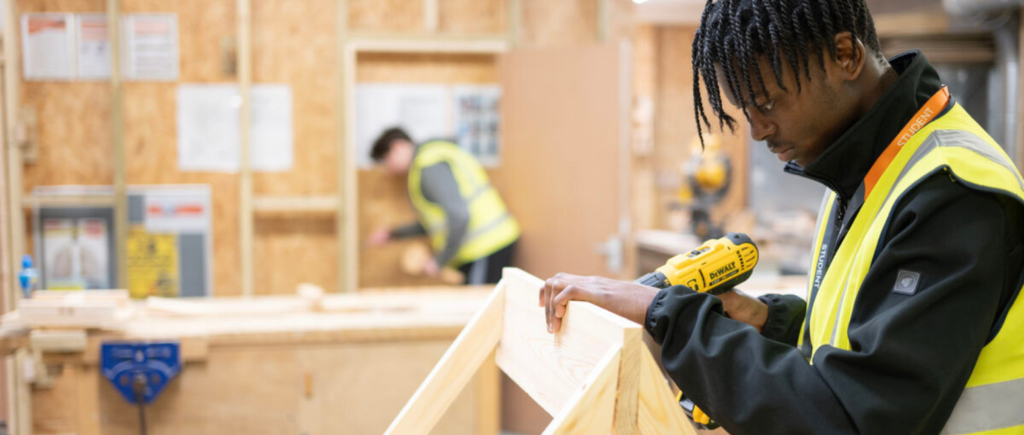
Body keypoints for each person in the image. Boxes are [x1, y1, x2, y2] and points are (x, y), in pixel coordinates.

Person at [538, 1, 1024, 434]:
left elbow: (852, 416)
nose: (757, 131)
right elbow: (874, 343)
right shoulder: (870, 169)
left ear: (845, 56)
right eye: (746, 111)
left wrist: (668, 314)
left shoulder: (951, 192)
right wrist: (772, 323)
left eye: (767, 103)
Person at [367, 127, 520, 285]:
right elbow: (436, 223)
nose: (388, 169)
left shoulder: (428, 166)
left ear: (397, 147)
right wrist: (394, 233)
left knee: (481, 305)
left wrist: (439, 261)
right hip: (484, 246)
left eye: (386, 160)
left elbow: (459, 216)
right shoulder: (430, 160)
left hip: (487, 246)